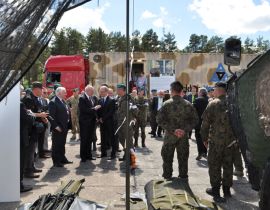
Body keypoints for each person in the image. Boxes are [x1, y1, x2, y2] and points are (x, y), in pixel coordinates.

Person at [201, 82, 236, 203]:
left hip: (216, 142)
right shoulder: (233, 103)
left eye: (214, 89)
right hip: (231, 142)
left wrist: (204, 139)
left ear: (218, 90)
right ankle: (227, 190)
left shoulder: (213, 104)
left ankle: (216, 191)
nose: (213, 91)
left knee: (214, 165)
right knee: (228, 165)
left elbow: (205, 124)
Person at [157, 81, 198, 180]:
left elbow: (159, 120)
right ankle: (183, 178)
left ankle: (167, 177)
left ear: (172, 91)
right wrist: (184, 130)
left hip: (169, 136)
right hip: (183, 137)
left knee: (167, 158)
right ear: (181, 91)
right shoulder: (188, 104)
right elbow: (195, 120)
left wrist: (173, 130)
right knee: (183, 159)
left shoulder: (166, 104)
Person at [21, 81, 48, 178]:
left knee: (33, 149)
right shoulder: (28, 99)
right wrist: (40, 115)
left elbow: (37, 111)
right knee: (30, 150)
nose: (43, 91)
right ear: (36, 89)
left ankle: (31, 166)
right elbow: (29, 114)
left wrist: (42, 117)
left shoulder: (36, 98)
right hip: (29, 129)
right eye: (42, 90)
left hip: (35, 129)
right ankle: (28, 171)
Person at [49, 87, 72, 167]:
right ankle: (56, 161)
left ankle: (62, 158)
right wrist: (55, 126)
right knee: (56, 145)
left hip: (64, 126)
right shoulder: (53, 102)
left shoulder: (62, 100)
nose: (66, 94)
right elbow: (51, 116)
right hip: (58, 128)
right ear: (58, 93)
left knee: (62, 144)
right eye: (64, 92)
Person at [78, 85, 100, 162]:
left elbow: (92, 111)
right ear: (87, 91)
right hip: (84, 123)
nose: (93, 92)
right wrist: (94, 108)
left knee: (89, 139)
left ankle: (89, 155)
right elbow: (84, 110)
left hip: (91, 122)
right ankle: (83, 157)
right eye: (92, 91)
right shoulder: (82, 98)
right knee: (84, 139)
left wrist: (96, 116)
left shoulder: (92, 98)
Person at [116, 83, 137, 161]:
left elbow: (135, 110)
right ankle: (126, 155)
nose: (117, 91)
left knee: (129, 142)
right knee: (122, 139)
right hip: (121, 123)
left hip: (127, 123)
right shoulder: (120, 98)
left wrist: (133, 118)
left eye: (118, 89)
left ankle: (132, 160)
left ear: (122, 90)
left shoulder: (129, 98)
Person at [97, 86, 116, 159]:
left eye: (102, 92)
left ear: (106, 92)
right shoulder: (100, 100)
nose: (100, 93)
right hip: (102, 123)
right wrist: (99, 118)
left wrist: (103, 118)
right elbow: (98, 111)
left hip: (109, 122)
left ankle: (113, 154)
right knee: (103, 138)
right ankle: (103, 153)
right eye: (100, 91)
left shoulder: (112, 100)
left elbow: (111, 112)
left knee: (112, 138)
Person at [193, 88, 208, 160]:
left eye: (198, 92)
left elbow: (193, 111)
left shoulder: (197, 100)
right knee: (206, 138)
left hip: (198, 123)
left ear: (201, 93)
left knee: (199, 138)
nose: (198, 93)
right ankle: (205, 152)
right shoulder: (210, 100)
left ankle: (200, 152)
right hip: (208, 123)